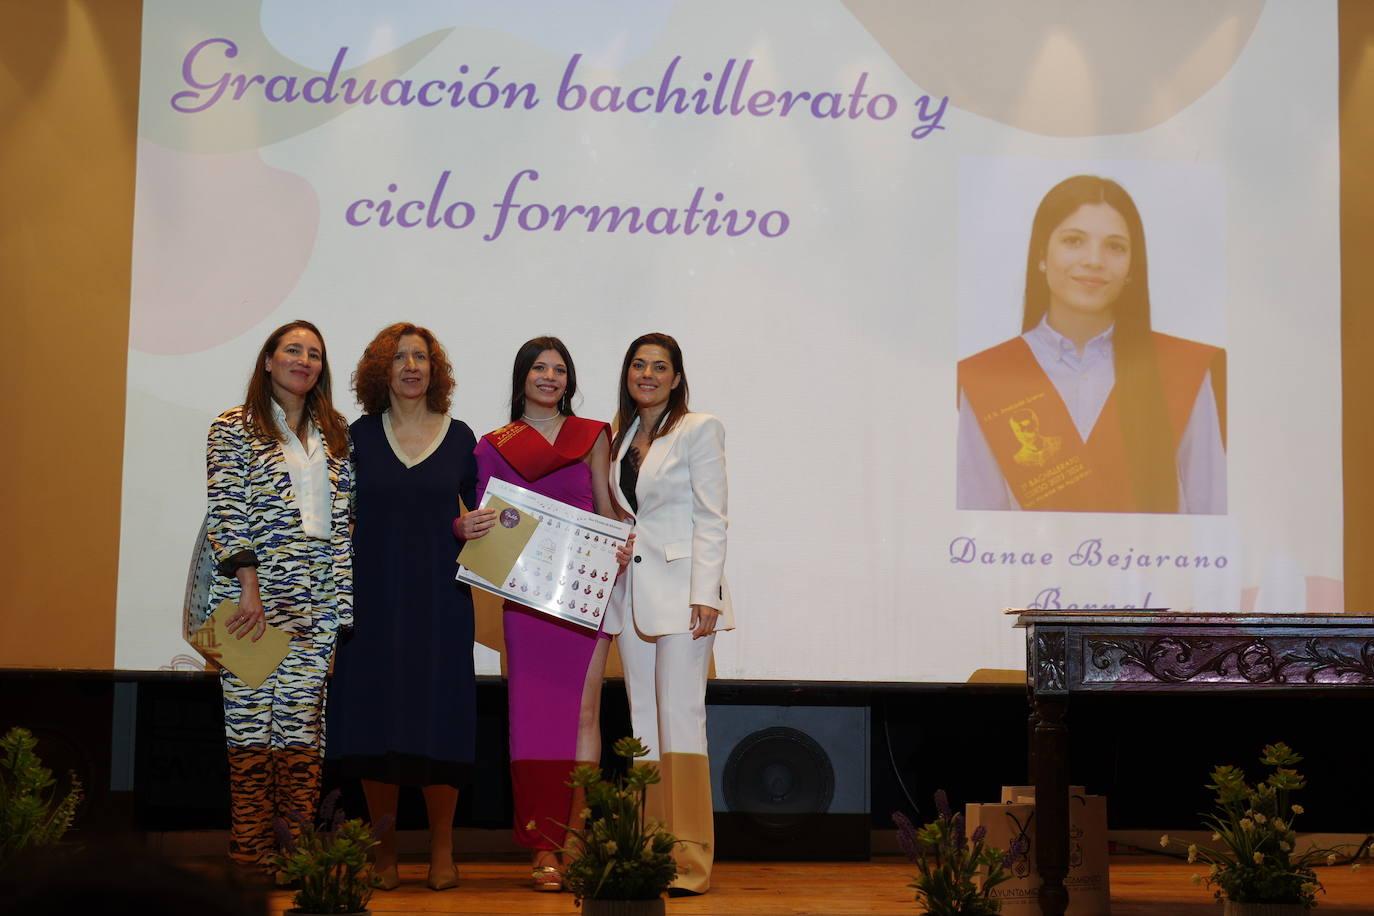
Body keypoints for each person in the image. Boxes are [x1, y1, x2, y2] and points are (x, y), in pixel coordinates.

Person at [454, 336, 628, 892]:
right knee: (531, 719)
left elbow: (607, 508)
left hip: (583, 597)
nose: (549, 377)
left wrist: (622, 544)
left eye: (559, 370)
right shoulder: (492, 446)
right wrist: (470, 529)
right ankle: (542, 846)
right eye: (539, 368)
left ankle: (576, 838)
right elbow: (485, 522)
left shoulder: (593, 436)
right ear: (522, 378)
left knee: (584, 717)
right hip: (527, 602)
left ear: (569, 381)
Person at [956, 174, 1227, 514]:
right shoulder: (989, 377)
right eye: (1073, 241)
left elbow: (1212, 514)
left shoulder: (1182, 372)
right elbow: (976, 524)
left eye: (1115, 247)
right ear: (1041, 255)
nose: (1094, 260)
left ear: (1131, 268)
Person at [325, 323, 477, 891]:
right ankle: (383, 851)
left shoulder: (463, 438)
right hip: (372, 602)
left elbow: (489, 519)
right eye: (399, 358)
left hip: (441, 603)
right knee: (374, 723)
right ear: (380, 371)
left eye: (421, 357)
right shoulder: (354, 437)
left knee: (440, 723)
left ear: (434, 370)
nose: (411, 366)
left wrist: (469, 527)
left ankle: (442, 848)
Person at [204, 319, 352, 874]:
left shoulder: (335, 433)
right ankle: (249, 853)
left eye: (314, 353)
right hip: (251, 603)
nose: (304, 360)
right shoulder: (232, 427)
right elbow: (227, 508)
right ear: (268, 361)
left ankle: (296, 855)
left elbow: (344, 526)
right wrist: (249, 589)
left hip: (318, 606)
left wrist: (339, 616)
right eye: (292, 350)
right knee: (248, 732)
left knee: (301, 733)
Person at [604, 332, 733, 896]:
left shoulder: (699, 428)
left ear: (677, 377)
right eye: (639, 365)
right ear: (628, 373)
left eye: (660, 367)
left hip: (685, 596)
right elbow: (632, 515)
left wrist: (706, 593)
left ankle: (692, 860)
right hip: (633, 593)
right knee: (643, 724)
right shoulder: (620, 433)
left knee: (681, 721)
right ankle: (653, 851)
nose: (648, 374)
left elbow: (713, 517)